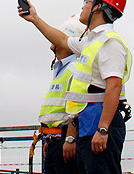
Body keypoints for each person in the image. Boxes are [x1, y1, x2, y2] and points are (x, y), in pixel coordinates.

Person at [19, 0, 132, 174]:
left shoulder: (110, 42)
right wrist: (35, 18)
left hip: (101, 125)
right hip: (88, 125)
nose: (83, 6)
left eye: (87, 2)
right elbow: (62, 40)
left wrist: (103, 129)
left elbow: (113, 87)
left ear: (98, 7)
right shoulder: (90, 41)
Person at [39, 15, 86, 174]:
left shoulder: (74, 69)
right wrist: (48, 140)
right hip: (53, 141)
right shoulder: (60, 69)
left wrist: (70, 138)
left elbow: (75, 107)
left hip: (64, 141)